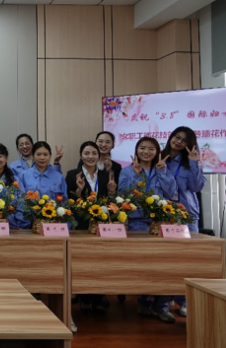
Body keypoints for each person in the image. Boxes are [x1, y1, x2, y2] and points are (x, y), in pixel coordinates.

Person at [119, 137, 177, 323]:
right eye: (142, 148)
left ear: (157, 152)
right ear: (136, 150)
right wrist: (136, 176)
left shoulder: (162, 168)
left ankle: (161, 306)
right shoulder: (127, 170)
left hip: (160, 223)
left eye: (151, 148)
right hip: (137, 223)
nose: (146, 152)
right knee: (144, 265)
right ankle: (143, 301)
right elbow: (123, 196)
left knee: (165, 265)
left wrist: (163, 172)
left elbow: (171, 193)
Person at [65, 141, 117, 314]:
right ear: (81, 155)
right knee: (82, 262)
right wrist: (79, 191)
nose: (90, 157)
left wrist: (111, 191)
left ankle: (97, 298)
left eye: (94, 153)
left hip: (101, 226)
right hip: (80, 225)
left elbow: (111, 202)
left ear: (99, 155)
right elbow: (70, 202)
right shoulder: (72, 174)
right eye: (86, 153)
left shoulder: (106, 175)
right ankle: (84, 299)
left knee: (100, 262)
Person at [161, 126, 206, 317]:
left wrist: (195, 163)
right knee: (165, 260)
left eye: (184, 140)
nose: (178, 141)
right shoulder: (160, 158)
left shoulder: (190, 161)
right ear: (171, 137)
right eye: (176, 137)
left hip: (187, 215)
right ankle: (163, 300)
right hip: (163, 215)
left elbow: (196, 187)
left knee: (186, 259)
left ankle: (183, 300)